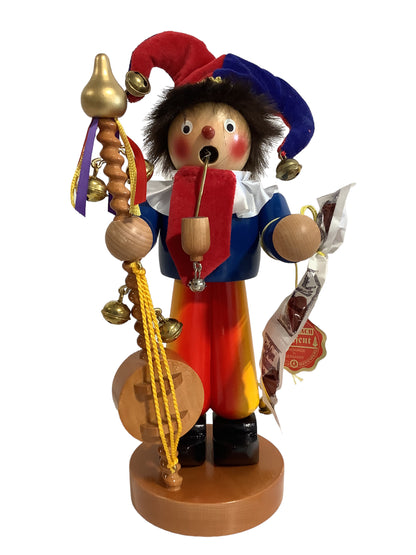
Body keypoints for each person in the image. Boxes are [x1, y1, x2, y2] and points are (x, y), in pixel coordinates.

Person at [125, 31, 320, 466]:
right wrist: (132, 232)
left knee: (235, 350)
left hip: (232, 291)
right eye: (188, 127)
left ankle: (236, 420)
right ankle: (188, 417)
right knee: (185, 347)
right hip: (184, 290)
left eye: (229, 126)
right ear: (168, 138)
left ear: (250, 140)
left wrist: (288, 235)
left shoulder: (253, 193)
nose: (209, 133)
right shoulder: (165, 193)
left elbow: (276, 231)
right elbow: (142, 227)